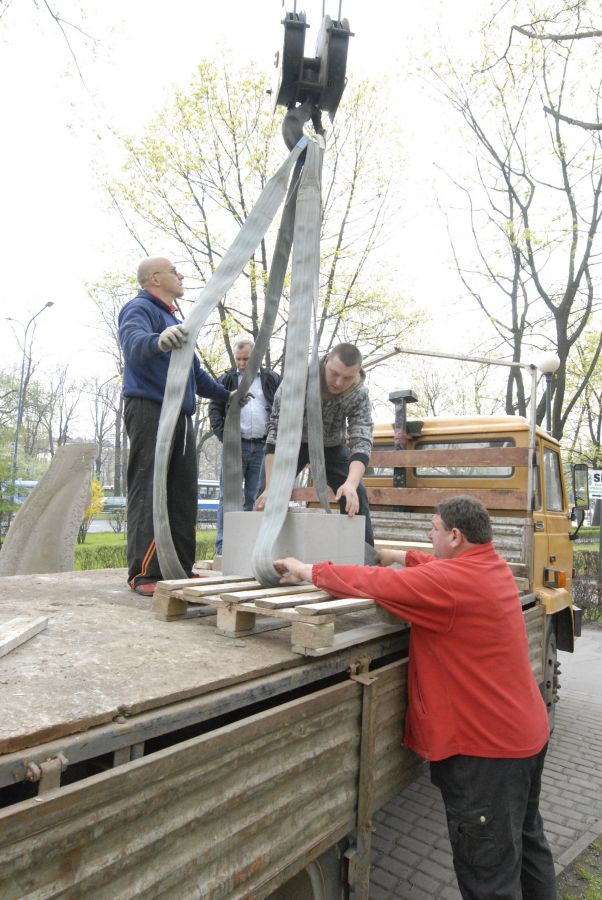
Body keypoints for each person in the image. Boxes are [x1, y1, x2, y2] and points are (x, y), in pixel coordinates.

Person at [274, 495, 557, 900]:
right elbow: (434, 568)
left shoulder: (451, 585)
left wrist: (308, 571)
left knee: (490, 880)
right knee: (528, 847)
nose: (429, 535)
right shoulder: (489, 567)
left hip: (486, 757)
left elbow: (379, 584)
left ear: (456, 536)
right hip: (524, 739)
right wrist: (393, 553)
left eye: (434, 530)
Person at [118, 256, 234, 597]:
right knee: (150, 489)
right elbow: (133, 344)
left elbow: (194, 373)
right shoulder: (139, 308)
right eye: (173, 271)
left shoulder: (173, 318)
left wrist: (229, 396)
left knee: (182, 493)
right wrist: (158, 340)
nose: (180, 275)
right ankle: (143, 573)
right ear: (154, 278)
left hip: (180, 416)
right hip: (151, 410)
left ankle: (179, 569)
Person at [255, 342, 375, 546]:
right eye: (334, 373)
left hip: (331, 446)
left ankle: (364, 558)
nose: (338, 382)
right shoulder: (297, 379)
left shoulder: (359, 394)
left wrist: (351, 484)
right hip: (292, 443)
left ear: (357, 373)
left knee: (357, 495)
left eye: (347, 377)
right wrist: (271, 486)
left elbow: (361, 439)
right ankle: (259, 553)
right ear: (326, 360)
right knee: (265, 496)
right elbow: (276, 428)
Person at [208, 338, 281, 556]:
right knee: (227, 497)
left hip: (262, 447)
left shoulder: (271, 379)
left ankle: (251, 547)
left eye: (246, 359)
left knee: (254, 497)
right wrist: (225, 436)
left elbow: (282, 405)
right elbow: (215, 408)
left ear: (255, 357)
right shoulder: (227, 379)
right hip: (235, 446)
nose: (241, 363)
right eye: (238, 359)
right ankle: (223, 547)